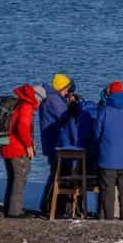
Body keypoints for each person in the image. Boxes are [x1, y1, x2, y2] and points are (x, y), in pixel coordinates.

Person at [0, 84, 44, 218]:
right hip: (16, 149)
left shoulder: (19, 103)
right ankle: (15, 211)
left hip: (6, 145)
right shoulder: (27, 106)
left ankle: (10, 208)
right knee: (19, 178)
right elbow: (23, 128)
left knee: (13, 178)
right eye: (41, 100)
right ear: (37, 98)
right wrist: (29, 145)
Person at [95, 81, 123, 220]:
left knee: (108, 191)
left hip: (108, 157)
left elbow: (97, 133)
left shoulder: (105, 110)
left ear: (110, 93)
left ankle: (109, 219)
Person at [38, 73, 78, 214]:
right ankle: (50, 207)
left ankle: (52, 206)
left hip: (51, 142)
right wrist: (73, 107)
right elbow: (65, 118)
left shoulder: (52, 98)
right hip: (55, 143)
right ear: (62, 88)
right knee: (57, 174)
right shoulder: (54, 101)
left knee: (56, 173)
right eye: (67, 89)